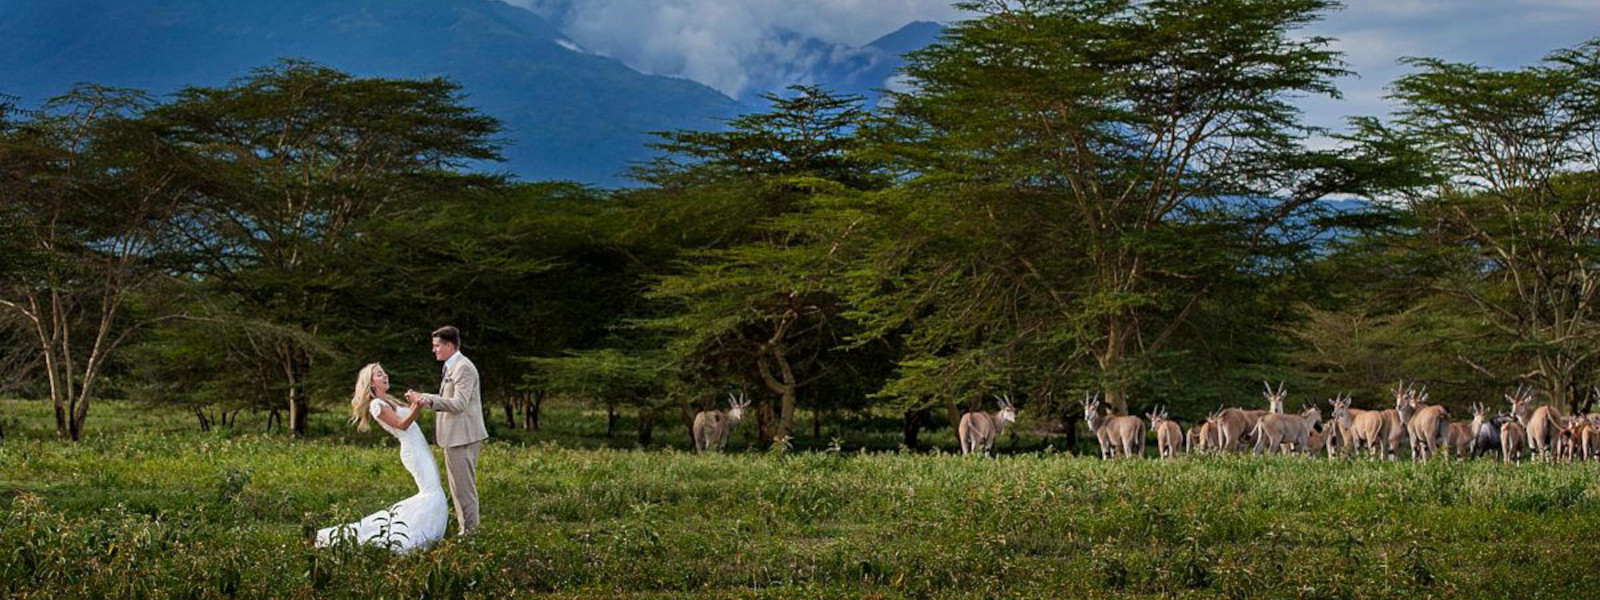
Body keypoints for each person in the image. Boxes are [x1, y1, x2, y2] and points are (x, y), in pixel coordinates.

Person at [315, 363, 447, 553]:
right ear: (371, 383)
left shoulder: (389, 400)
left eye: (384, 372)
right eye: (379, 374)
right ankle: (415, 534)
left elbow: (406, 420)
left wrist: (412, 404)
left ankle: (418, 531)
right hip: (413, 452)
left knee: (433, 491)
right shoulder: (377, 405)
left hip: (420, 448)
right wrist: (417, 407)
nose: (385, 376)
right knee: (432, 493)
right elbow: (401, 425)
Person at [406, 325, 487, 535]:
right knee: (457, 488)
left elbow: (459, 403)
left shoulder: (463, 367)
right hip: (454, 438)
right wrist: (425, 397)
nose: (434, 350)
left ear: (449, 345)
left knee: (463, 489)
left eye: (437, 346)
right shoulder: (452, 366)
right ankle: (465, 530)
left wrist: (428, 400)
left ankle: (470, 534)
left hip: (462, 438)